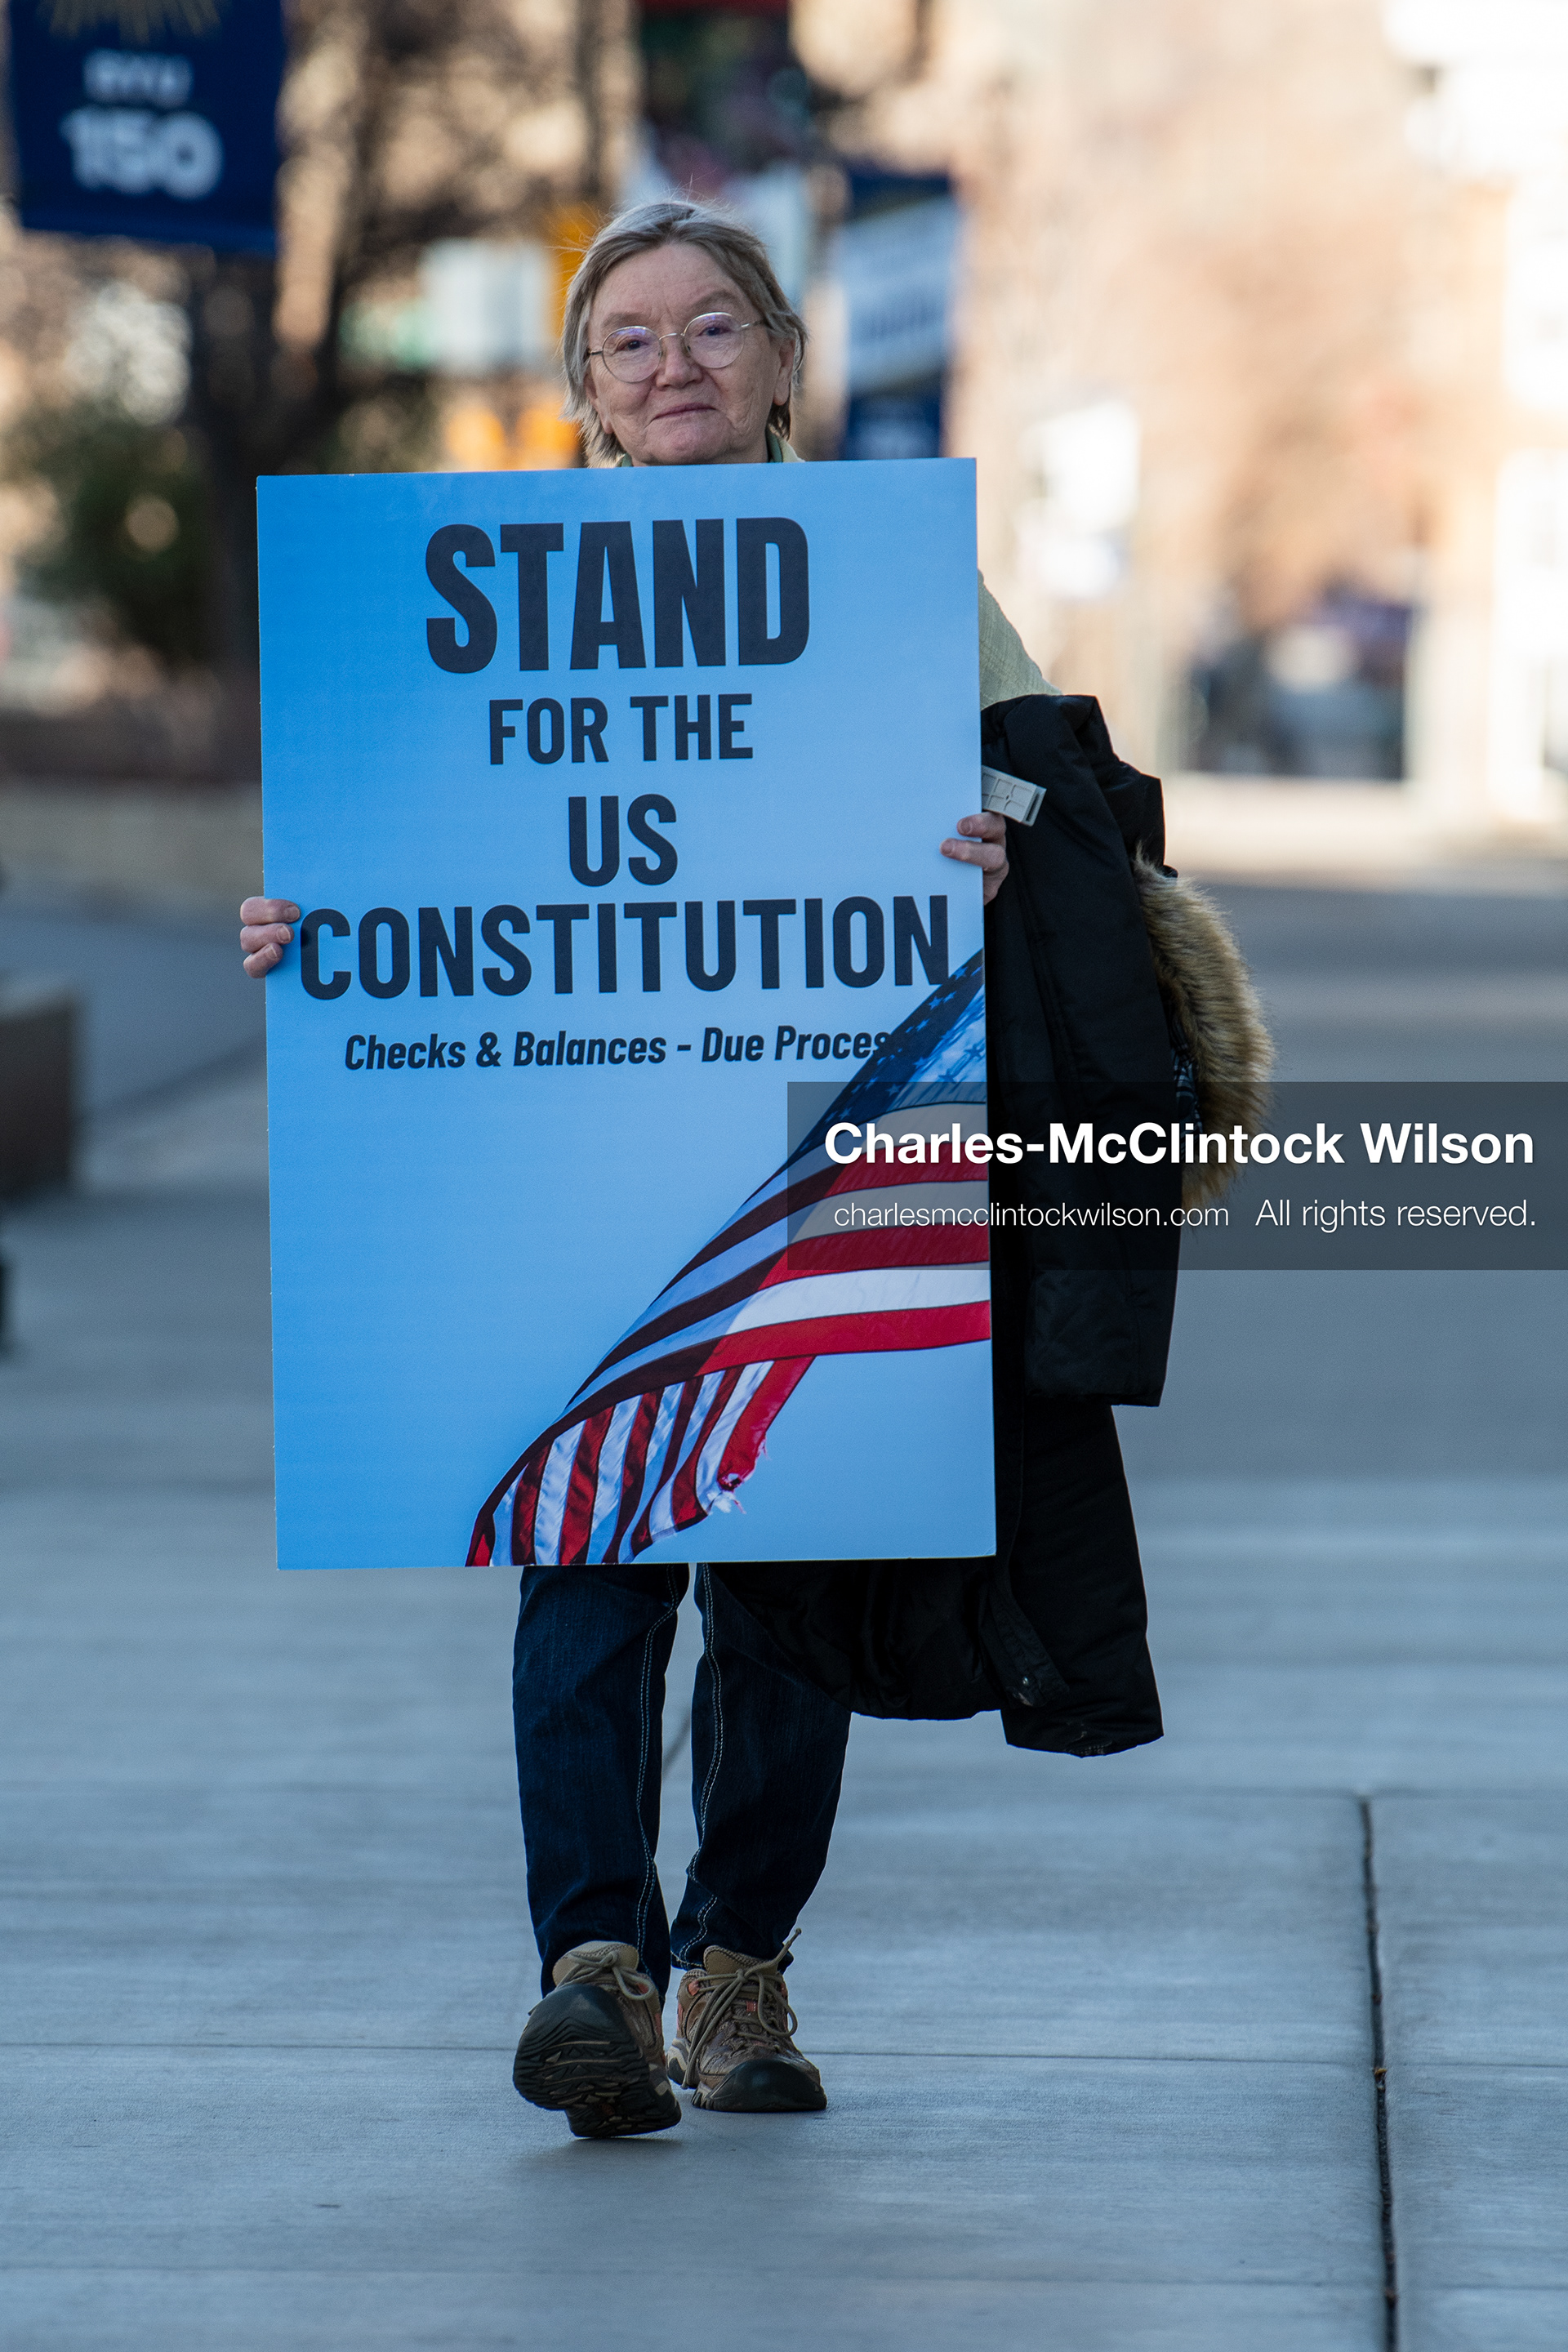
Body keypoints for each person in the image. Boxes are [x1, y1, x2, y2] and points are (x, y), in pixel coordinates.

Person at [240, 198, 1054, 2140]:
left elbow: (1054, 785)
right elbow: (407, 842)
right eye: (629, 337)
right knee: (589, 1563)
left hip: (813, 1146)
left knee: (791, 1575)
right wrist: (307, 928)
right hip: (575, 1157)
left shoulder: (894, 578)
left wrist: (1006, 845)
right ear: (586, 389)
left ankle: (736, 1966)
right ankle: (594, 1967)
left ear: (781, 361)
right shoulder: (482, 584)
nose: (670, 362)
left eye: (710, 327)